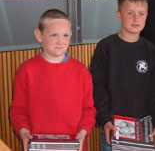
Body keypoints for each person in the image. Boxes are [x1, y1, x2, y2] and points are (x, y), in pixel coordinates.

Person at [90, 0, 155, 151]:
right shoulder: (106, 47)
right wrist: (105, 119)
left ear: (147, 16)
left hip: (144, 126)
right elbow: (98, 86)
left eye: (141, 13)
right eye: (130, 13)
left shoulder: (150, 50)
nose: (136, 18)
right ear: (119, 15)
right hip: (114, 126)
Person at [10, 9, 96, 151]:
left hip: (74, 145)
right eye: (54, 35)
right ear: (39, 35)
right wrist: (24, 131)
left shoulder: (81, 71)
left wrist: (83, 132)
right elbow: (18, 110)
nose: (60, 41)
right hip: (39, 145)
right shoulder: (26, 70)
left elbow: (88, 110)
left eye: (65, 35)